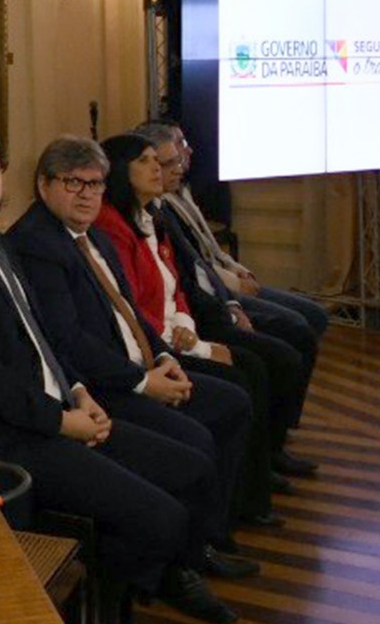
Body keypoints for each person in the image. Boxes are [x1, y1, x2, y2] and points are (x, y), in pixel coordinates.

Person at [0, 123, 239, 624]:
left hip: (54, 410)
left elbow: (40, 339)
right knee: (157, 515)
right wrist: (62, 421)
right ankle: (101, 623)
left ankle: (112, 597)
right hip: (2, 438)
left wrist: (79, 392)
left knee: (183, 465)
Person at [6, 136, 262, 567]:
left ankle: (211, 532)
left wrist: (165, 358)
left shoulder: (94, 237)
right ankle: (186, 565)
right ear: (43, 184)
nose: (87, 194)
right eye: (73, 183)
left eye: (96, 183)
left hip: (139, 366)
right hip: (104, 385)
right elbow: (67, 340)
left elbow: (133, 313)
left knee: (234, 399)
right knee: (195, 440)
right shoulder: (37, 244)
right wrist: (144, 382)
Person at [96, 134, 314, 496]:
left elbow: (177, 284)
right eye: (146, 162)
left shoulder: (152, 215)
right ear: (121, 171)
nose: (157, 169)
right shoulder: (113, 226)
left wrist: (184, 321)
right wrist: (181, 338)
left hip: (179, 329)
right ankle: (247, 487)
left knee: (258, 365)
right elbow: (130, 302)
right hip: (157, 342)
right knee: (246, 374)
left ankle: (257, 472)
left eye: (158, 160)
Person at [136, 121, 327, 386]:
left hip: (211, 299)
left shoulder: (173, 198)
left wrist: (234, 273)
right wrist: (231, 299)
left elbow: (203, 254)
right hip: (204, 306)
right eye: (170, 159)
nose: (184, 156)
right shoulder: (154, 213)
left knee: (305, 323)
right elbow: (190, 274)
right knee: (290, 335)